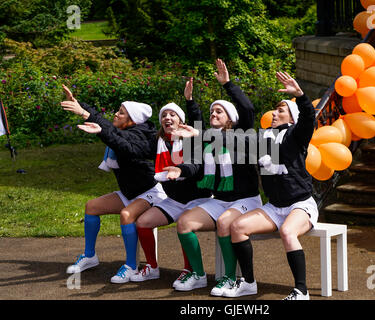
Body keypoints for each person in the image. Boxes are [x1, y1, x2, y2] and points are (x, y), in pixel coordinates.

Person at [162, 59, 262, 295]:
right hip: (221, 199)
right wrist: (181, 170)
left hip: (246, 200)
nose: (214, 113)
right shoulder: (208, 138)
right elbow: (196, 164)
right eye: (212, 111)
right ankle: (197, 275)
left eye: (219, 111)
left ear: (230, 118)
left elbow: (247, 109)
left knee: (227, 221)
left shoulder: (242, 134)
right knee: (185, 222)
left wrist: (228, 84)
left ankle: (228, 277)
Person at [224, 71, 318, 300]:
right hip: (274, 207)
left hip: (300, 204)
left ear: (291, 118)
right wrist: (197, 133)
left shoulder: (296, 136)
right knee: (237, 228)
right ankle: (247, 283)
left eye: (280, 110)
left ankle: (301, 291)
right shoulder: (262, 139)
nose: (274, 113)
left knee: (287, 231)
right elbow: (237, 138)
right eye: (275, 109)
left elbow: (308, 119)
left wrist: (301, 96)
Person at [61, 85, 167, 283]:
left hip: (150, 191)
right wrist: (79, 104)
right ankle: (90, 256)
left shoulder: (142, 135)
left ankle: (130, 265)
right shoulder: (122, 130)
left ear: (132, 119)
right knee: (91, 207)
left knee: (127, 215)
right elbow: (106, 125)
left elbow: (123, 143)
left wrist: (88, 117)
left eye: (121, 112)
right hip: (129, 192)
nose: (116, 115)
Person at [130, 84, 212, 285]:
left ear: (182, 121)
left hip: (198, 199)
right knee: (143, 222)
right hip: (173, 200)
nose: (167, 117)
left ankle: (189, 269)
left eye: (172, 114)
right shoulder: (158, 142)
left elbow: (195, 161)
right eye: (164, 115)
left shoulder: (191, 139)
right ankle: (152, 267)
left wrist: (190, 101)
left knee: (184, 222)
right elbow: (128, 146)